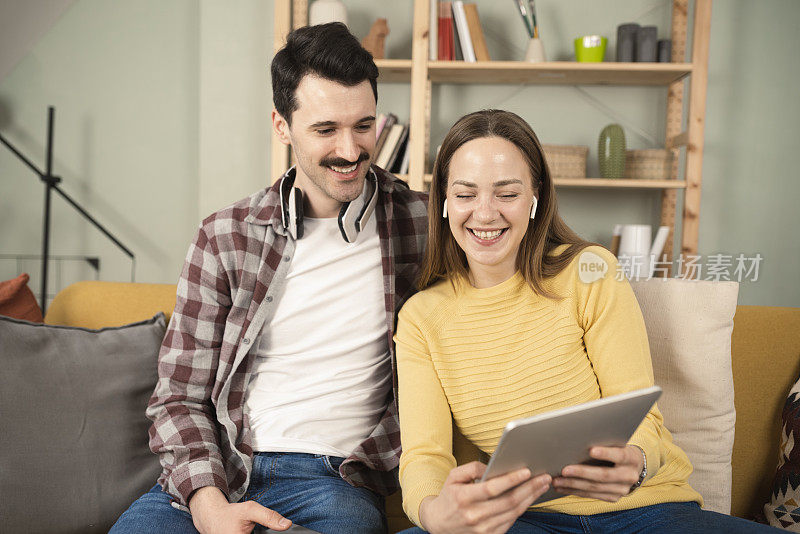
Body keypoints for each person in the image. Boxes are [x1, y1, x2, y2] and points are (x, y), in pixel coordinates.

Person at [394, 109, 780, 533]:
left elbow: (642, 419)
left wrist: (635, 463)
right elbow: (425, 456)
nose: (485, 214)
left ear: (535, 198)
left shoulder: (590, 272)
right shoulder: (420, 318)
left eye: (507, 194)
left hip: (647, 511)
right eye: (466, 194)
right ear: (444, 202)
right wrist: (434, 514)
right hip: (525, 520)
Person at [111, 23, 427, 534]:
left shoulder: (420, 223)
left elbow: (520, 242)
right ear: (282, 125)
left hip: (332, 481)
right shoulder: (225, 236)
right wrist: (208, 503)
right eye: (326, 130)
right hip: (219, 472)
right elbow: (178, 396)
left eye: (364, 126)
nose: (351, 150)